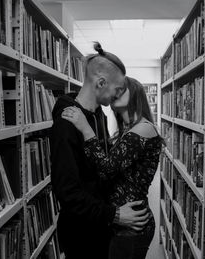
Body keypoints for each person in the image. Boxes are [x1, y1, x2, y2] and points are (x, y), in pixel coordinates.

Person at [50, 43, 149, 259]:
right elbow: (68, 193)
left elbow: (99, 168)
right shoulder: (67, 123)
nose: (119, 95)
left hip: (100, 228)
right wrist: (114, 215)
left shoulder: (98, 116)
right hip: (81, 235)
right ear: (101, 82)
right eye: (118, 89)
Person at [62, 76, 164, 259]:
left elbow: (107, 168)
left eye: (121, 89)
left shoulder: (142, 129)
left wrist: (86, 129)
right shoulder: (129, 129)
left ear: (135, 95)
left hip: (132, 226)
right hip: (125, 223)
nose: (114, 92)